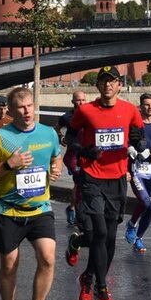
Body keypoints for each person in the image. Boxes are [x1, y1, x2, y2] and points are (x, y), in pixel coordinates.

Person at [0, 87, 62, 300]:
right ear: (12, 110)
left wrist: (55, 168)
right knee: (9, 265)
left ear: (34, 106)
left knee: (48, 258)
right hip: (9, 209)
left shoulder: (49, 133)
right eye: (21, 108)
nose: (27, 112)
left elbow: (56, 156)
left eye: (29, 106)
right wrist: (9, 164)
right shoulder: (2, 137)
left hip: (40, 207)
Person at [64, 66, 144, 300]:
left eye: (112, 81)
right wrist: (84, 150)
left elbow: (139, 136)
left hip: (117, 179)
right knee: (99, 232)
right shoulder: (86, 111)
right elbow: (71, 136)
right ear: (97, 86)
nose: (108, 85)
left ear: (119, 85)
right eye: (103, 81)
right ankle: (101, 287)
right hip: (92, 179)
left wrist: (136, 145)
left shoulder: (130, 110)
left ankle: (87, 277)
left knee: (109, 238)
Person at [123, 93, 151, 253]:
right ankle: (132, 224)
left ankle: (139, 238)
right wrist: (131, 149)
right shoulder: (134, 124)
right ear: (141, 106)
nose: (150, 107)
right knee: (144, 201)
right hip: (136, 168)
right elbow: (124, 141)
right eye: (147, 104)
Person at [54, 90, 87, 226]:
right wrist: (61, 137)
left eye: (83, 100)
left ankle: (72, 208)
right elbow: (56, 128)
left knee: (79, 183)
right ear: (72, 101)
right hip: (72, 157)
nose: (81, 103)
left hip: (85, 155)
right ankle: (80, 216)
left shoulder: (89, 114)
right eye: (78, 100)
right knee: (80, 182)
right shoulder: (67, 116)